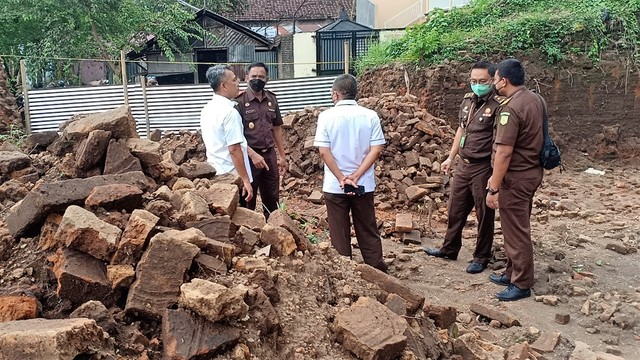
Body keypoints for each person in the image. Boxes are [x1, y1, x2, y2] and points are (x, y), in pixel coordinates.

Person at [424, 61, 503, 274]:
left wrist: (496, 173)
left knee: (484, 214)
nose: (477, 85)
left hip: (483, 167)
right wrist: (451, 157)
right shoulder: (467, 101)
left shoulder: (498, 105)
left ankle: (481, 256)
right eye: (473, 81)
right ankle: (449, 248)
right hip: (463, 165)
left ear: (492, 80)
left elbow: (499, 142)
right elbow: (461, 131)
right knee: (455, 209)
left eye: (482, 82)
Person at [313, 74, 387, 272]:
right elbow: (377, 148)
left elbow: (323, 151)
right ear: (356, 93)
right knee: (367, 227)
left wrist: (341, 177)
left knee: (339, 231)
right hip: (364, 183)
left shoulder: (326, 116)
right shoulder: (370, 115)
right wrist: (356, 175)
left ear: (335, 94)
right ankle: (377, 270)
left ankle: (344, 272)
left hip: (334, 185)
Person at [486, 58, 544, 301]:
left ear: (504, 80)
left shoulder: (511, 108)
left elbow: (504, 151)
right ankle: (511, 271)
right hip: (532, 172)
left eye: (495, 78)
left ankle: (521, 283)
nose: (493, 82)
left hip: (516, 177)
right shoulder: (534, 98)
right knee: (515, 225)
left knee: (516, 230)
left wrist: (494, 186)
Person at [235, 62, 287, 219]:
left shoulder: (272, 99)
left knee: (272, 196)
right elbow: (236, 135)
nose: (257, 79)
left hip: (269, 155)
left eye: (261, 77)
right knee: (248, 197)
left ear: (267, 79)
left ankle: (274, 228)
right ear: (246, 78)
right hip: (249, 158)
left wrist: (282, 156)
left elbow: (277, 128)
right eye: (254, 76)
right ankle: (248, 230)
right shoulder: (239, 102)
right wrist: (250, 154)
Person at [200, 65, 253, 203]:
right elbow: (234, 149)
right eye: (234, 80)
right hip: (232, 176)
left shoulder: (207, 109)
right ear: (224, 86)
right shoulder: (230, 113)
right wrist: (245, 180)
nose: (238, 83)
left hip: (215, 172)